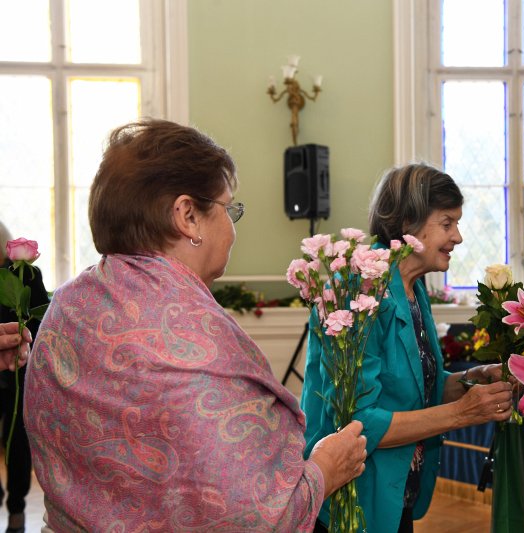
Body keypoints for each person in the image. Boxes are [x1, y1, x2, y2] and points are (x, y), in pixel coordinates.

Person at [23, 119, 367, 531]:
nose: (233, 228)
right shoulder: (196, 339)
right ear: (187, 215)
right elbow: (257, 516)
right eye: (229, 209)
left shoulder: (67, 304)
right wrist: (326, 469)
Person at [302, 163, 515, 533]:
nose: (459, 237)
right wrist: (462, 414)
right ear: (407, 223)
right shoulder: (359, 287)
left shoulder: (411, 288)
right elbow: (359, 422)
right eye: (447, 223)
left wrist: (469, 380)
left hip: (396, 490)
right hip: (354, 500)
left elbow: (413, 388)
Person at [0, 221, 49, 533]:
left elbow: (42, 317)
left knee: (18, 441)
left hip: (20, 369)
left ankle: (16, 510)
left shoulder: (28, 274)